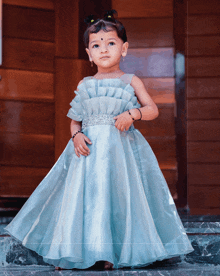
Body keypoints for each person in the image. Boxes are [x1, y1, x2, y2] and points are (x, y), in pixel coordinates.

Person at [4, 9, 194, 271]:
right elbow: (75, 119)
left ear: (124, 49)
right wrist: (76, 135)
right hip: (89, 154)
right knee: (88, 199)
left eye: (111, 43)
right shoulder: (85, 84)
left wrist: (132, 113)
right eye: (96, 45)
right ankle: (78, 253)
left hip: (120, 152)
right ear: (89, 54)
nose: (104, 50)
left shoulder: (130, 80)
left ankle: (112, 253)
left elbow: (153, 109)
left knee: (117, 199)